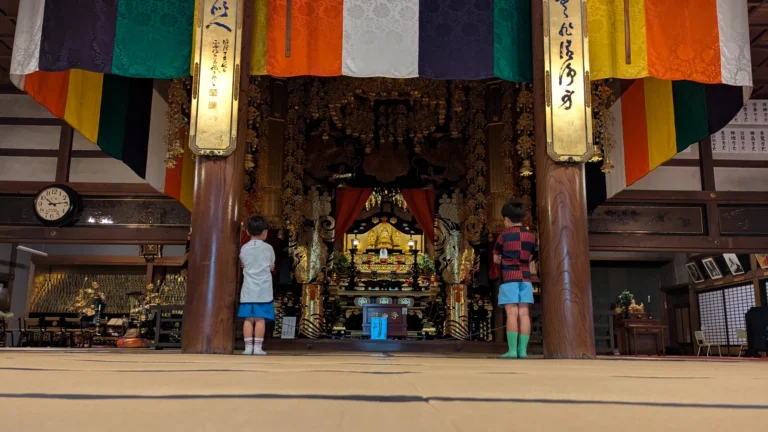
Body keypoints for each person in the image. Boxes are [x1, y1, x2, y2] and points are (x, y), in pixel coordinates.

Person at [493, 200, 536, 359]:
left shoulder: (503, 236)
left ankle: (512, 350)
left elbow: (496, 258)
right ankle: (522, 351)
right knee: (524, 313)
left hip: (509, 278)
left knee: (511, 312)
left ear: (507, 219)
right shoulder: (531, 236)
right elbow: (531, 256)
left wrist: (506, 259)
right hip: (525, 278)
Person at [239, 215, 276, 355]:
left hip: (248, 289)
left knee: (248, 319)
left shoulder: (244, 249)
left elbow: (243, 263)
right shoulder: (268, 249)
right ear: (265, 232)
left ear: (247, 232)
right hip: (263, 290)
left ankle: (248, 347)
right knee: (260, 319)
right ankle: (258, 348)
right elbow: (271, 265)